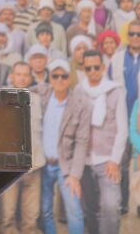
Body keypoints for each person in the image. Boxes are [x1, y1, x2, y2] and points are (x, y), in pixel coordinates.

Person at [77, 50, 127, 234]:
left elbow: (122, 129)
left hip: (107, 161)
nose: (92, 71)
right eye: (88, 68)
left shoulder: (115, 91)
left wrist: (114, 160)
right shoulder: (79, 91)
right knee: (90, 209)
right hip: (84, 161)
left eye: (96, 67)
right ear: (84, 69)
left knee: (111, 207)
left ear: (103, 67)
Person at [37, 59, 89, 234]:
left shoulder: (80, 104)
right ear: (50, 78)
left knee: (74, 212)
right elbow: (20, 91)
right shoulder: (42, 93)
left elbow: (82, 142)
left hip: (65, 166)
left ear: (70, 78)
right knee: (45, 210)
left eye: (64, 76)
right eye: (55, 75)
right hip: (43, 164)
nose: (60, 79)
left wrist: (75, 175)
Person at [0, 62, 44, 234]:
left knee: (31, 216)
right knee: (8, 215)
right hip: (11, 168)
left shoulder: (38, 100)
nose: (22, 78)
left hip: (35, 165)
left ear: (31, 78)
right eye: (18, 74)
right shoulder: (3, 98)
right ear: (11, 76)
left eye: (26, 74)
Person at [108, 18, 140, 216]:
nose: (135, 37)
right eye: (132, 34)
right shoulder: (117, 59)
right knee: (121, 162)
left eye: (139, 34)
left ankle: (139, 204)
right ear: (127, 36)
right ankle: (122, 203)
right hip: (121, 119)